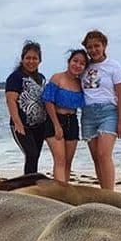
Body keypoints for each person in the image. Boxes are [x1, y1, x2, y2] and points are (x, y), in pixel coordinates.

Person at [80, 30, 121, 190]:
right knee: (96, 158)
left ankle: (110, 194)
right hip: (87, 115)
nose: (93, 50)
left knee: (103, 154)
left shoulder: (114, 66)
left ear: (104, 45)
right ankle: (103, 192)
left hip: (108, 113)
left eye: (97, 46)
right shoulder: (84, 66)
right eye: (89, 47)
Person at [41, 49, 88, 182]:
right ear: (69, 61)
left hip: (72, 121)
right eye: (75, 61)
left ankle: (64, 189)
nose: (77, 65)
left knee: (68, 162)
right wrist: (56, 125)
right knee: (60, 160)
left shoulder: (80, 83)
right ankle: (59, 191)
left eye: (82, 63)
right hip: (55, 119)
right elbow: (48, 101)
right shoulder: (57, 78)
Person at [5, 40, 48, 175]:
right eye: (28, 58)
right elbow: (11, 101)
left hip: (39, 125)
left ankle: (31, 180)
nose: (31, 61)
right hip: (22, 125)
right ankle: (27, 182)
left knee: (36, 156)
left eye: (35, 58)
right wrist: (17, 122)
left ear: (40, 60)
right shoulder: (15, 77)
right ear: (22, 59)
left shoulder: (41, 78)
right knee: (31, 154)